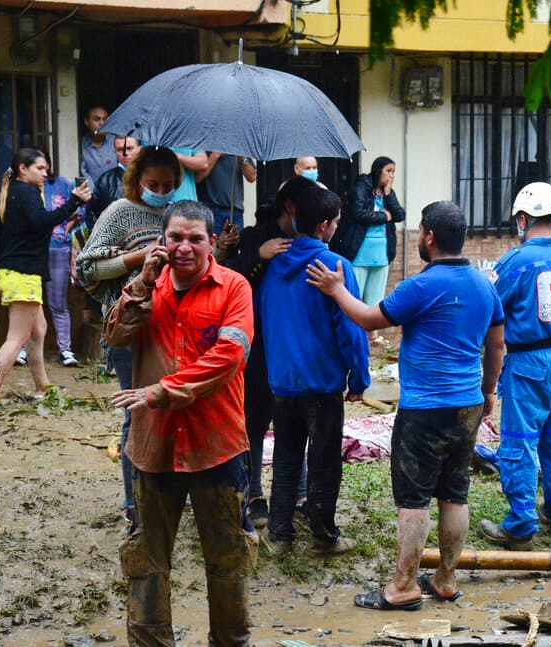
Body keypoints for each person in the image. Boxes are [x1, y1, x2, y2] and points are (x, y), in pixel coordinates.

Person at [305, 200, 504, 611]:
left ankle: (403, 586)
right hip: (467, 404)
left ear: (428, 237)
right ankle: (446, 581)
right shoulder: (486, 286)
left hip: (425, 410)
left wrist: (336, 288)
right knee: (455, 494)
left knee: (413, 499)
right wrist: (488, 392)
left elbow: (367, 318)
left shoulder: (420, 286)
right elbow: (497, 344)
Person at [105, 200, 254, 646]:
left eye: (195, 238)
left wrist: (159, 391)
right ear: (162, 241)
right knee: (146, 562)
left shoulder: (234, 288)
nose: (185, 247)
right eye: (176, 238)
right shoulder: (145, 288)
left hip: (218, 445)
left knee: (228, 560)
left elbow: (228, 358)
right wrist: (140, 286)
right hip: (153, 449)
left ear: (212, 242)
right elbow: (115, 337)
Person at [259, 182, 369, 556]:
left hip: (282, 383)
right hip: (321, 385)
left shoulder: (272, 265)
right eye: (337, 222)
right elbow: (351, 328)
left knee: (287, 457)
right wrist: (360, 377)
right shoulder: (336, 267)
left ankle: (279, 534)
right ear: (323, 225)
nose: (337, 228)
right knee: (323, 462)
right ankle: (323, 536)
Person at [76, 145, 183, 527]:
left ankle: (163, 492)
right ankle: (134, 501)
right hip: (129, 327)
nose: (161, 189)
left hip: (170, 329)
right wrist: (135, 260)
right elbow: (86, 269)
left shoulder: (175, 214)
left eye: (169, 184)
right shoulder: (119, 212)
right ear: (137, 180)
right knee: (136, 413)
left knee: (168, 409)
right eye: (154, 183)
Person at [477, 182, 551, 548]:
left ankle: (520, 524)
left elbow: (490, 309)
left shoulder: (513, 263)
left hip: (528, 361)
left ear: (523, 219)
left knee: (520, 441)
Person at [224, 177, 309, 529]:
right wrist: (258, 256)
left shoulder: (310, 240)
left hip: (291, 343)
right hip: (257, 343)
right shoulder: (254, 236)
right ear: (291, 207)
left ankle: (299, 493)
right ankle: (254, 491)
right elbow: (233, 280)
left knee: (293, 420)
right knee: (255, 421)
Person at [0, 148, 90, 398]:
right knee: (16, 337)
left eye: (47, 168)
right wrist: (74, 202)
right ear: (23, 169)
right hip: (23, 274)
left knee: (39, 329)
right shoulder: (27, 192)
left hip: (13, 271)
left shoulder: (11, 194)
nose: (46, 173)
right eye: (40, 168)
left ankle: (42, 385)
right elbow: (40, 221)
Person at [334, 156, 405, 345]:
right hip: (360, 249)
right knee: (355, 293)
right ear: (378, 170)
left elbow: (399, 215)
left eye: (393, 172)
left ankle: (371, 335)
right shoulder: (362, 186)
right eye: (388, 171)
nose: (391, 176)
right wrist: (384, 215)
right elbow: (359, 213)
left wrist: (389, 195)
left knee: (375, 295)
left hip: (381, 251)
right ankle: (352, 335)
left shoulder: (387, 192)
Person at [42, 151, 85, 367]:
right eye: (36, 166)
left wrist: (67, 228)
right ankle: (22, 349)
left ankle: (65, 350)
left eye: (43, 165)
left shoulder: (63, 184)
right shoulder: (23, 189)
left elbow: (83, 207)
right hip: (31, 250)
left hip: (59, 247)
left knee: (58, 302)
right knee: (27, 303)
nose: (41, 170)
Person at [85, 135, 141, 229]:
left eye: (129, 148)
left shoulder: (151, 177)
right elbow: (92, 213)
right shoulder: (105, 180)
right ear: (114, 151)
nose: (125, 153)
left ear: (140, 149)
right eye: (120, 149)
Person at [197, 152, 257, 234]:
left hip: (235, 212)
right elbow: (197, 178)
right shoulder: (206, 148)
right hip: (211, 210)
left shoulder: (237, 148)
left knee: (236, 245)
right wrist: (214, 156)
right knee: (212, 245)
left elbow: (252, 177)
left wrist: (243, 158)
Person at [80, 106, 117, 185]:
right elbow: (84, 173)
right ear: (86, 122)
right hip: (93, 193)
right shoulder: (81, 145)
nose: (102, 123)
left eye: (105, 119)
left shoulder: (115, 141)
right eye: (97, 119)